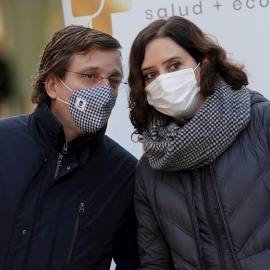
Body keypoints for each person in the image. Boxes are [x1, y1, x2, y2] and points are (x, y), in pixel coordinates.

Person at [128, 15, 270, 269]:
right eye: (150, 74)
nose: (163, 80)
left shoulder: (262, 124)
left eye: (173, 65)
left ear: (203, 63)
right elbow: (155, 262)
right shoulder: (151, 169)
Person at [0, 25, 139, 270]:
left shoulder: (124, 174)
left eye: (114, 80)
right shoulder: (4, 143)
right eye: (90, 75)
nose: (105, 91)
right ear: (52, 85)